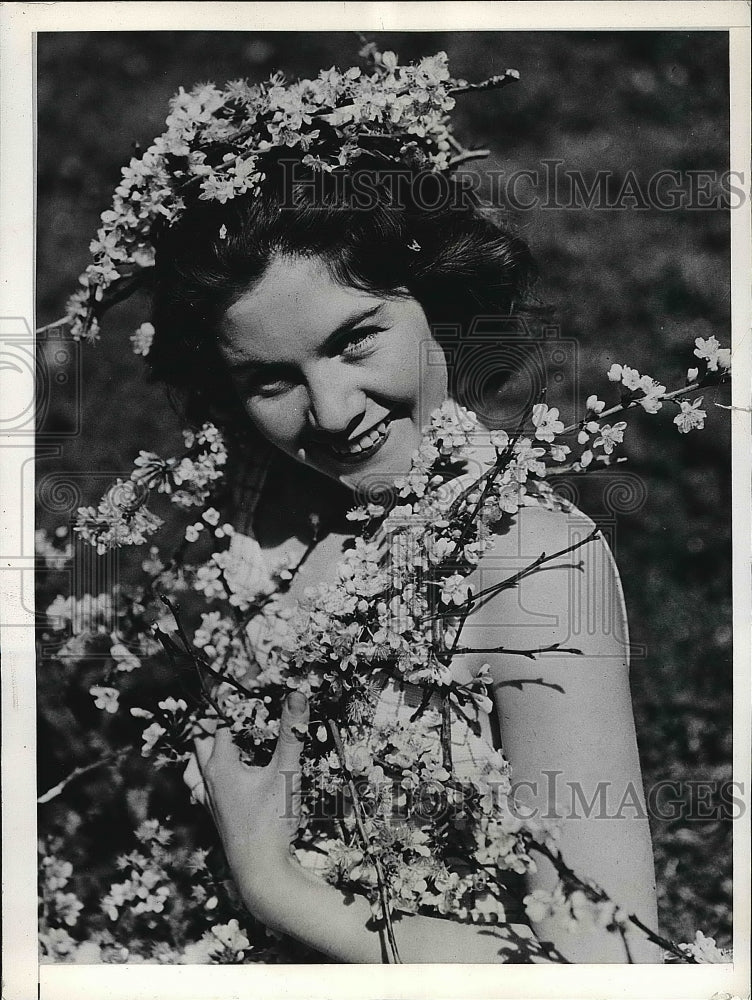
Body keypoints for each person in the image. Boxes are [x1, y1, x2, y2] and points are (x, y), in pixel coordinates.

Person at [149, 157, 660, 964]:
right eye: (271, 380)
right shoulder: (255, 492)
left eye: (355, 341)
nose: (332, 413)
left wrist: (277, 889)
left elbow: (610, 965)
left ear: (435, 295)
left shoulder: (531, 559)